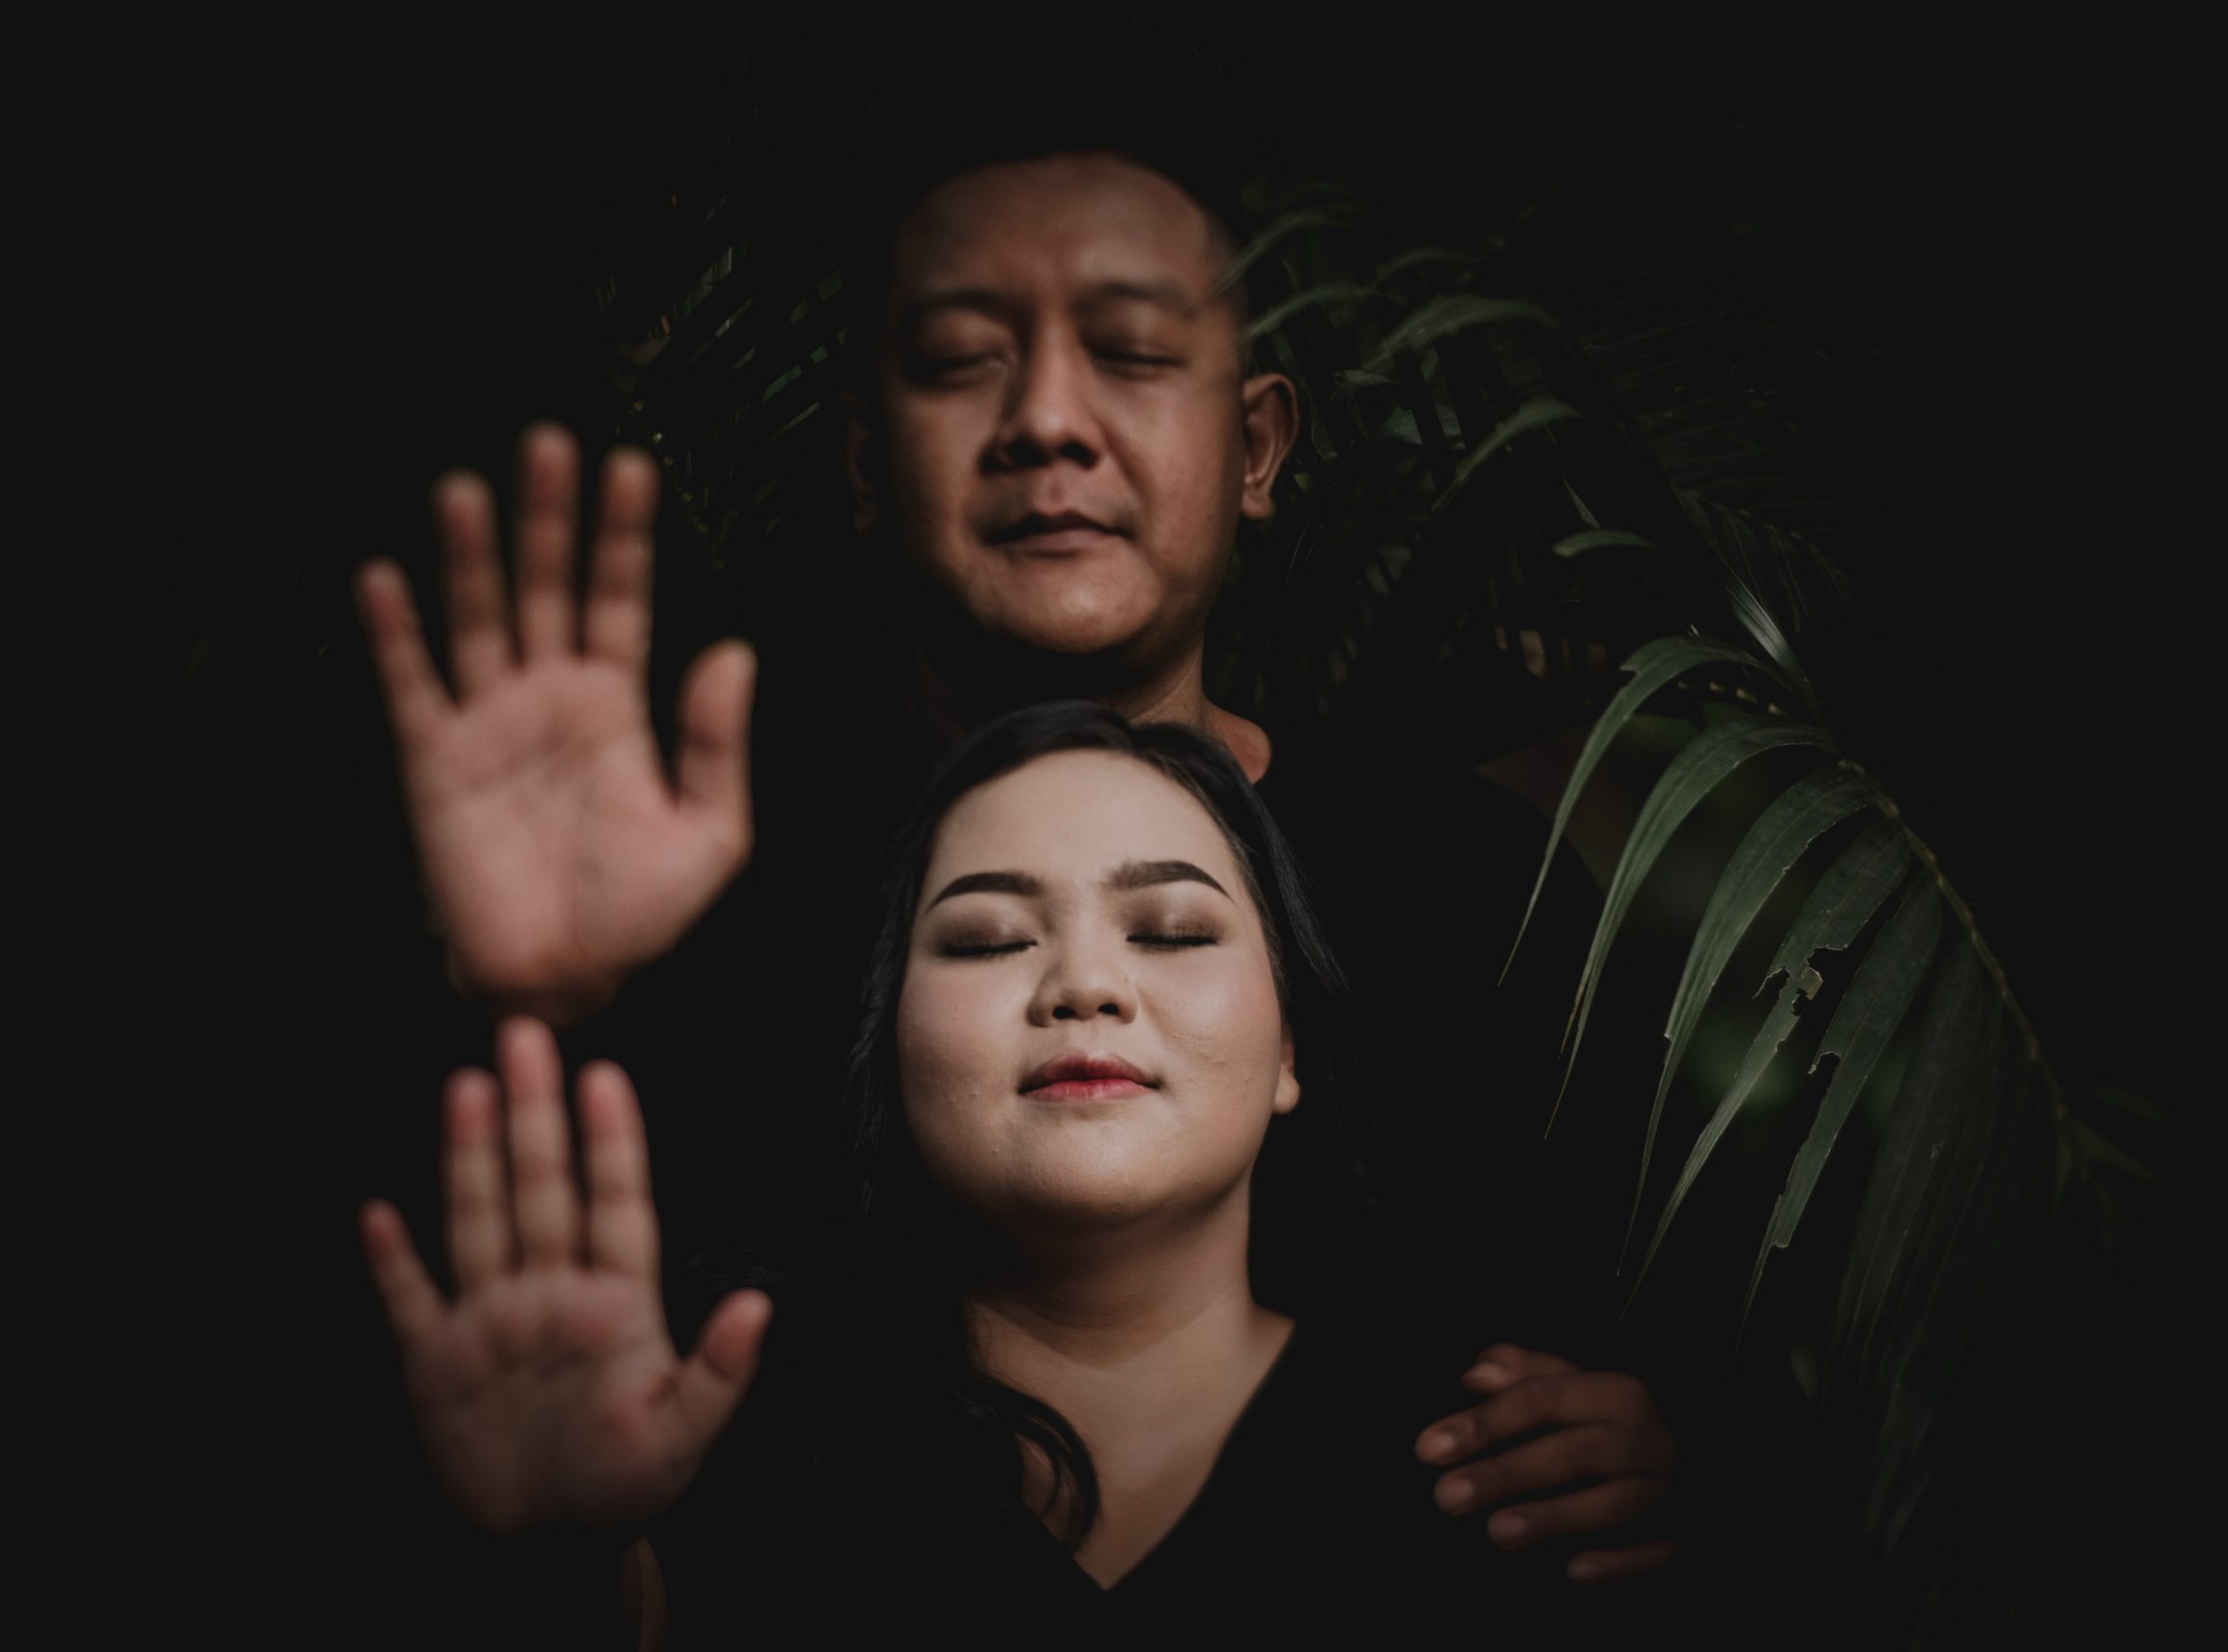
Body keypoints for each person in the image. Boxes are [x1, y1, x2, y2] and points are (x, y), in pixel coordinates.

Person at [355, 141, 1678, 1587]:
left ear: (1255, 447)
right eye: (960, 363)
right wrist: (528, 1000)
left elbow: (1729, 1345)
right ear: (868, 460)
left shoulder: (1476, 885)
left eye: (1133, 353)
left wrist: (1675, 1454)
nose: (1048, 420)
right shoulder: (693, 888)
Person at [361, 700, 1674, 1642]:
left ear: (1290, 1048)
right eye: (988, 939)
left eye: (1172, 929)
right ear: (890, 1047)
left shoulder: (1501, 1469)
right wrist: (553, 1553)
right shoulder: (728, 1441)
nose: (1085, 984)